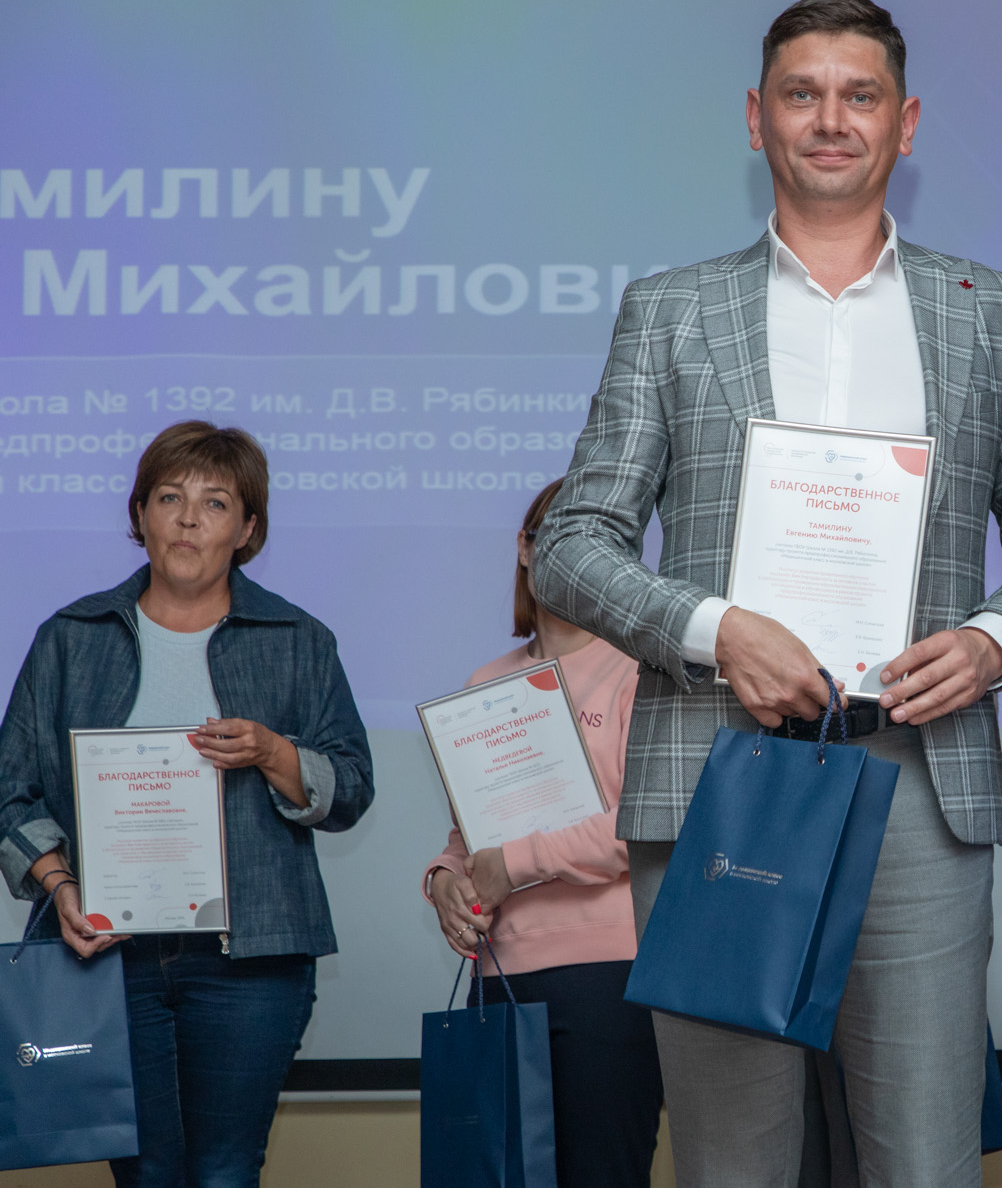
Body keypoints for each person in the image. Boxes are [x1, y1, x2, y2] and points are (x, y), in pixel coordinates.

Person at [532, 0, 1002, 1186]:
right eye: (801, 93)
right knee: (735, 1164)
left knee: (923, 1159)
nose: (830, 119)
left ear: (904, 123)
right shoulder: (669, 309)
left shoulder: (990, 311)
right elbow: (572, 542)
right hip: (718, 779)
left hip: (918, 776)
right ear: (755, 117)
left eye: (859, 94)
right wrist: (715, 630)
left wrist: (991, 640)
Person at [0, 421, 374, 1186]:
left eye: (215, 502)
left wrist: (274, 752)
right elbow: (11, 789)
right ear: (140, 515)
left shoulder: (297, 639)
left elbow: (352, 787)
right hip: (110, 956)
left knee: (224, 1171)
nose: (189, 519)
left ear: (248, 529)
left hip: (253, 959)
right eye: (169, 497)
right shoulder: (71, 637)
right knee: (145, 1174)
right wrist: (59, 885)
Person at [421, 478, 662, 1187]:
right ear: (524, 549)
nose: (569, 559)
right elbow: (470, 834)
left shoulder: (643, 673)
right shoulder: (485, 680)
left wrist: (516, 863)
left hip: (610, 978)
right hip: (501, 978)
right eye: (553, 537)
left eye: (594, 546)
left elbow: (642, 828)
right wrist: (445, 879)